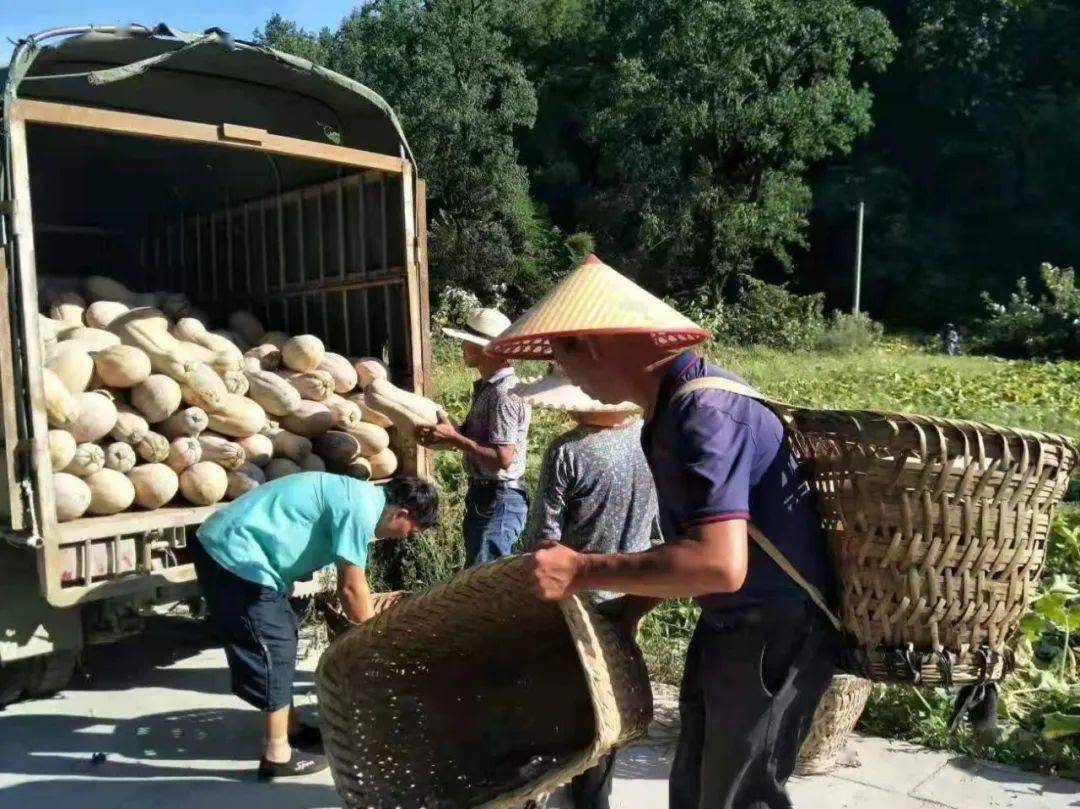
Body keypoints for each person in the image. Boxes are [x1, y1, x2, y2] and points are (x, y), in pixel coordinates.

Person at [488, 255, 838, 809]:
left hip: (773, 630)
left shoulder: (705, 411)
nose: (570, 381)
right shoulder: (669, 411)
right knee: (698, 791)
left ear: (594, 347)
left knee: (737, 797)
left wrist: (581, 569)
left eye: (564, 363)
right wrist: (628, 609)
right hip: (731, 624)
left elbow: (719, 563)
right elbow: (693, 543)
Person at [191, 472, 440, 781]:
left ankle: (291, 729)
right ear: (401, 513)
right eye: (411, 530)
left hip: (247, 555)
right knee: (274, 646)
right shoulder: (360, 507)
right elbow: (350, 589)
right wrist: (377, 642)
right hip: (234, 552)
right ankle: (276, 754)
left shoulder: (362, 498)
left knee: (283, 635)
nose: (405, 537)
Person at [517, 367, 661, 809]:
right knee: (608, 701)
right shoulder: (650, 440)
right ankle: (593, 797)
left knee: (561, 703)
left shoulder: (568, 452)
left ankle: (541, 792)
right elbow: (661, 528)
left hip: (575, 602)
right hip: (632, 595)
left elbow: (544, 538)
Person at [418, 307, 531, 566]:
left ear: (484, 348)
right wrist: (451, 434)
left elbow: (503, 458)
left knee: (484, 583)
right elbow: (484, 441)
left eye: (466, 341)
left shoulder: (502, 394)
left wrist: (458, 440)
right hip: (488, 497)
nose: (461, 347)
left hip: (498, 500)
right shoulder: (489, 388)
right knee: (477, 579)